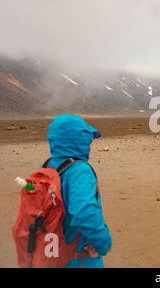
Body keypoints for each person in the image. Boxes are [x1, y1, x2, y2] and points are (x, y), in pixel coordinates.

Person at [46, 114, 112, 268]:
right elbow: (84, 212)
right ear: (80, 140)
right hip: (78, 257)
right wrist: (103, 244)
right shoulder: (80, 170)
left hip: (51, 254)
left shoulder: (48, 166)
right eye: (87, 139)